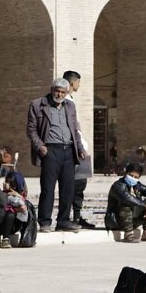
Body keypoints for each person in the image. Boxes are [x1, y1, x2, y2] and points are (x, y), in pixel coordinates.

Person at [27, 78, 86, 233]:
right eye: (57, 91)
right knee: (48, 188)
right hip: (50, 150)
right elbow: (31, 130)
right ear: (52, 89)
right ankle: (45, 221)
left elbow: (74, 130)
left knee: (68, 188)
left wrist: (80, 148)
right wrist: (40, 146)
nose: (59, 94)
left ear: (66, 93)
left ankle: (63, 221)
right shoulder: (38, 105)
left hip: (69, 150)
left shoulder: (70, 106)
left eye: (62, 92)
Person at [63, 70, 95, 229]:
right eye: (78, 82)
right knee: (74, 185)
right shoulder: (65, 101)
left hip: (79, 147)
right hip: (73, 149)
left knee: (80, 183)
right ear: (72, 82)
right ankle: (69, 217)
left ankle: (76, 215)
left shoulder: (71, 100)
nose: (79, 85)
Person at [105, 162, 146, 243]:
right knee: (127, 202)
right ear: (126, 173)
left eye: (136, 177)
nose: (133, 178)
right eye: (131, 176)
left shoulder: (137, 185)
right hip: (116, 221)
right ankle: (128, 234)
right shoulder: (118, 185)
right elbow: (126, 198)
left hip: (133, 220)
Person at [0, 171, 29, 248]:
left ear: (14, 186)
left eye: (7, 182)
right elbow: (3, 208)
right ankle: (5, 239)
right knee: (10, 215)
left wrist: (18, 196)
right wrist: (16, 210)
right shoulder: (3, 194)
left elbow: (23, 204)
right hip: (4, 225)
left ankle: (24, 238)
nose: (4, 184)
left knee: (28, 211)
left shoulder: (18, 195)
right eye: (5, 181)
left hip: (15, 225)